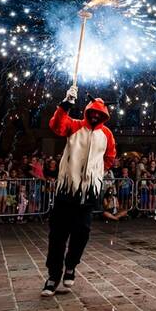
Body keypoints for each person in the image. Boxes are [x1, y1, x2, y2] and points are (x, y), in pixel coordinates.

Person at [41, 85, 116, 296]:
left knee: (82, 234)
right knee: (57, 236)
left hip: (88, 194)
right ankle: (53, 276)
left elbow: (110, 157)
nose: (94, 116)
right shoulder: (74, 126)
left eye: (98, 114)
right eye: (92, 112)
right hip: (66, 191)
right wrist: (65, 104)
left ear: (103, 115)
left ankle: (71, 265)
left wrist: (96, 173)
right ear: (87, 111)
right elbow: (56, 125)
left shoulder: (107, 135)